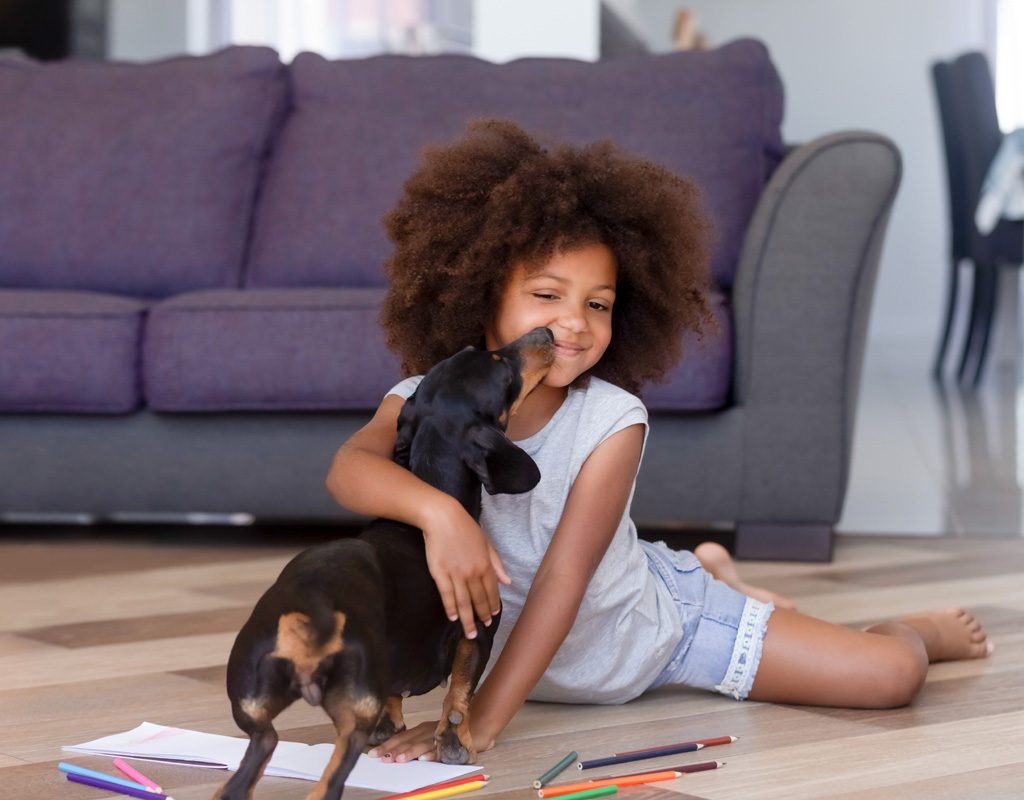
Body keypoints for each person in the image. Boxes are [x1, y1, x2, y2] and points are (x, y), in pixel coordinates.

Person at [325, 118, 992, 763]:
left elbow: (564, 578)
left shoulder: (612, 420)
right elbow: (349, 468)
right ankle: (720, 571)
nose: (574, 324)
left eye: (598, 304)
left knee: (890, 677)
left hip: (653, 635)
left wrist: (476, 724)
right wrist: (440, 515)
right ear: (479, 294)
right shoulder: (429, 400)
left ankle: (903, 628)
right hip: (525, 659)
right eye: (546, 294)